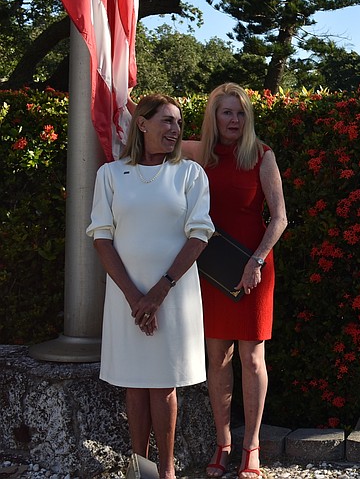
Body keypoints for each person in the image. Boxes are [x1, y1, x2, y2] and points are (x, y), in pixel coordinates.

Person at [87, 94, 214, 479]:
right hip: (126, 296)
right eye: (168, 121)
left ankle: (166, 472)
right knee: (133, 382)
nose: (175, 129)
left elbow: (200, 233)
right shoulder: (110, 174)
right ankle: (138, 469)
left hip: (174, 296)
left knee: (163, 383)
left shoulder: (191, 174)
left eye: (178, 122)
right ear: (142, 124)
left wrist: (158, 292)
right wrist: (134, 297)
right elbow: (101, 236)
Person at [182, 83, 287, 479]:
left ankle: (251, 446)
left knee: (252, 357)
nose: (234, 120)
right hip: (212, 270)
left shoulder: (261, 155)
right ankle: (222, 443)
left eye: (240, 113)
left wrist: (256, 260)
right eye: (226, 112)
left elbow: (279, 217)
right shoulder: (198, 153)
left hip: (254, 268)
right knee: (218, 359)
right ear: (214, 116)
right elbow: (150, 131)